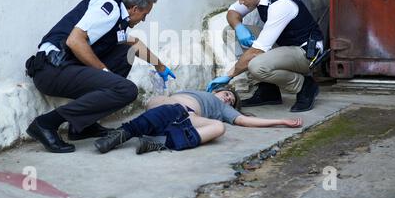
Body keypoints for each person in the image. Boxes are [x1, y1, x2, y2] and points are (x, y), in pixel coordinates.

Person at [24, 0, 176, 153]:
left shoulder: (119, 20)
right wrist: (104, 72)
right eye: (144, 14)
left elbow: (134, 43)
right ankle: (45, 123)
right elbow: (74, 41)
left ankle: (81, 126)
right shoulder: (109, 7)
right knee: (126, 90)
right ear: (134, 9)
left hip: (65, 68)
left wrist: (160, 66)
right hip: (51, 70)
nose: (144, 19)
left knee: (127, 52)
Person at [207, 0, 324, 112]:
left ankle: (304, 86)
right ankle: (268, 90)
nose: (241, 1)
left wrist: (228, 75)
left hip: (306, 52)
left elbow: (256, 52)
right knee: (230, 31)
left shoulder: (280, 4)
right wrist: (238, 27)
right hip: (283, 45)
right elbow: (232, 12)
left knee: (256, 65)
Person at [94, 87, 303, 155]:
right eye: (227, 93)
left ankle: (134, 135)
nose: (228, 97)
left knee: (218, 127)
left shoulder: (222, 109)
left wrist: (281, 121)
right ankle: (136, 135)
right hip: (166, 107)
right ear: (217, 89)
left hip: (188, 117)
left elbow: (243, 121)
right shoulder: (200, 90)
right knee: (163, 103)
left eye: (231, 100)